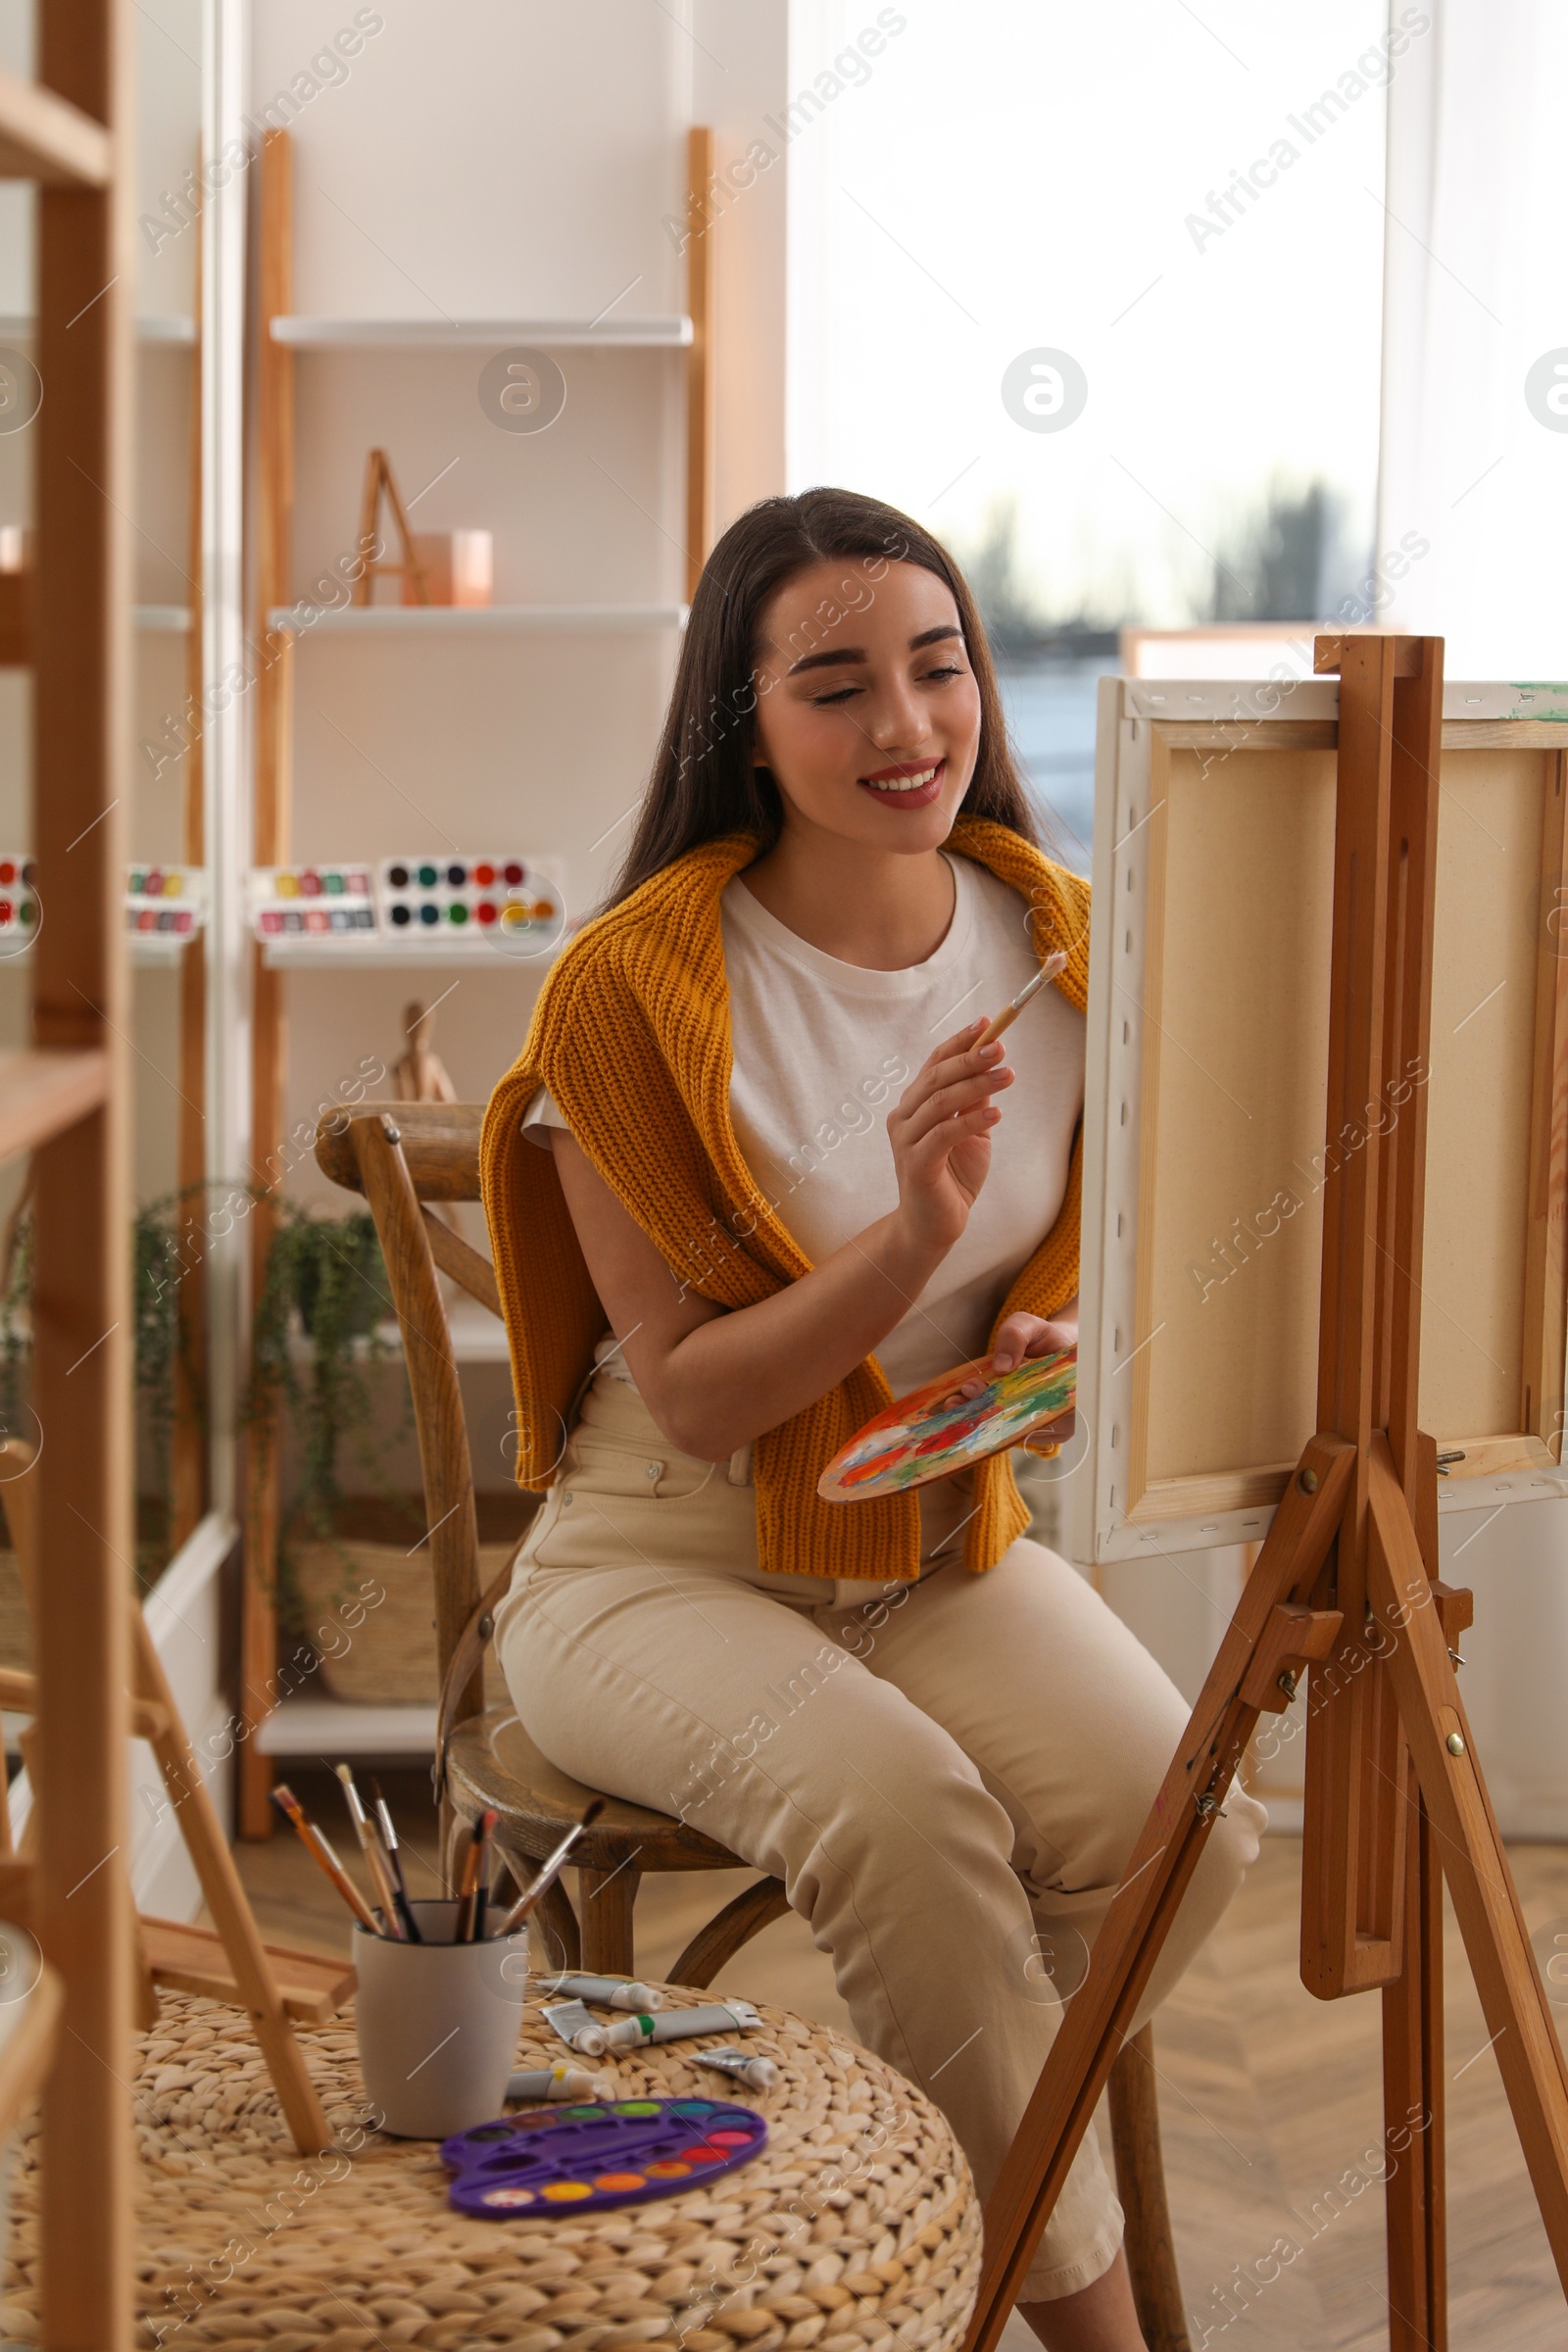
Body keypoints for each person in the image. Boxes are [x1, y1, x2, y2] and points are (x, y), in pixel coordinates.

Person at [481, 487, 1265, 2352]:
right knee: (911, 1822)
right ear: (740, 720)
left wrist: (1077, 1349)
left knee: (1191, 1822)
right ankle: (1083, 2329)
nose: (908, 729)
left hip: (933, 1541)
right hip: (652, 1566)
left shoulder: (1074, 945)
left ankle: (893, 2197)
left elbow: (1098, 1276)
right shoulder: (631, 993)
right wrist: (906, 1227)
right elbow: (687, 1394)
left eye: (938, 668)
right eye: (835, 686)